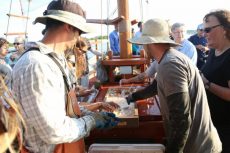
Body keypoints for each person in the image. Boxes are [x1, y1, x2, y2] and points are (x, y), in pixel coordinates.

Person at [11, 1, 119, 153]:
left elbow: (62, 109)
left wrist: (92, 114)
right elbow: (54, 132)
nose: (78, 38)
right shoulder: (37, 65)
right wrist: (92, 121)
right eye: (79, 32)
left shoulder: (52, 60)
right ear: (69, 26)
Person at [127, 18, 222, 153]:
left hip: (198, 148)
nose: (143, 47)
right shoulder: (168, 58)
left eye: (143, 43)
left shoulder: (170, 65)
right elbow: (155, 87)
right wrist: (130, 98)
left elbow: (181, 119)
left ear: (149, 43)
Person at [120, 22, 197, 85]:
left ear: (152, 44)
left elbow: (180, 83)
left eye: (144, 43)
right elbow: (147, 74)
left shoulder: (172, 58)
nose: (143, 47)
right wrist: (128, 81)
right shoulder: (164, 55)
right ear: (172, 34)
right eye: (177, 32)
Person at [200, 9, 230, 153]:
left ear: (224, 29)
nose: (204, 33)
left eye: (208, 29)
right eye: (203, 30)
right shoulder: (213, 51)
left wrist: (207, 84)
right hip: (212, 123)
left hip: (225, 129)